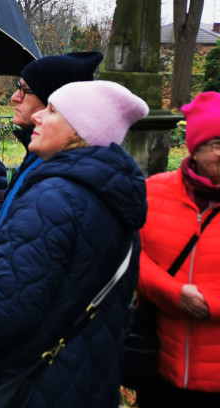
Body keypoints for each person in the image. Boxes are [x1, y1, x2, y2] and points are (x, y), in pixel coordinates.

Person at [0, 80, 148, 408]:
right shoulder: (111, 197)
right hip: (82, 379)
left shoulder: (54, 200)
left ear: (79, 130)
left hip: (29, 384)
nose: (38, 116)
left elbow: (6, 307)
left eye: (52, 111)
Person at [137, 91, 220, 408]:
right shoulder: (153, 192)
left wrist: (210, 302)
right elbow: (133, 255)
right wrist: (172, 292)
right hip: (159, 367)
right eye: (218, 144)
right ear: (195, 148)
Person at [0, 51, 103, 226]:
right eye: (18, 86)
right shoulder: (37, 155)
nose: (14, 97)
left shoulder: (59, 180)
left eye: (25, 90)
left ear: (54, 106)